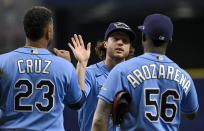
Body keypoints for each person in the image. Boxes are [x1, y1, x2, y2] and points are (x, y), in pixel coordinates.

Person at [92, 14, 199, 131]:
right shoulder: (184, 76)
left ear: (143, 36)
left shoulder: (122, 70)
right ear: (169, 42)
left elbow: (99, 120)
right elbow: (191, 113)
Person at [0, 6, 86, 131]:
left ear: (26, 30)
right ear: (48, 31)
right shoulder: (64, 66)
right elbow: (77, 102)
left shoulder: (2, 62)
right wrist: (80, 64)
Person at [54, 22, 136, 131]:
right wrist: (81, 63)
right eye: (115, 39)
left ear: (129, 47)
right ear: (105, 44)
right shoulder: (90, 73)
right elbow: (77, 98)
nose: (120, 43)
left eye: (125, 41)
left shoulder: (135, 76)